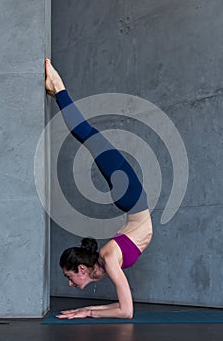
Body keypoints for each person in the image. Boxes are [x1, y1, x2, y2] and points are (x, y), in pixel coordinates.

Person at [45, 58, 153, 319]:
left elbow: (125, 311)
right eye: (70, 278)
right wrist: (87, 310)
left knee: (88, 135)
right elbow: (125, 310)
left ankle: (58, 87)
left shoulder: (107, 258)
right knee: (88, 135)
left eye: (69, 278)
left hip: (130, 197)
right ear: (83, 269)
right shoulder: (106, 260)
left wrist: (88, 312)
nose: (71, 283)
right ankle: (56, 89)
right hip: (131, 198)